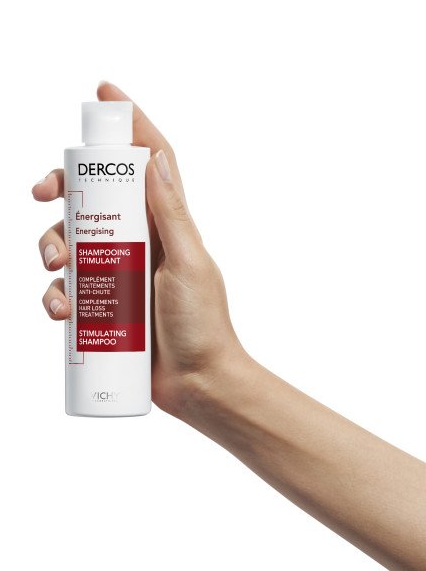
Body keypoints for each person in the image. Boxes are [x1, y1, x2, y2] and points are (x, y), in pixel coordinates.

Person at [32, 81, 426, 570]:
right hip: (153, 358)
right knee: (89, 257)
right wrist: (206, 374)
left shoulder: (117, 165)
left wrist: (206, 373)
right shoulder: (89, 164)